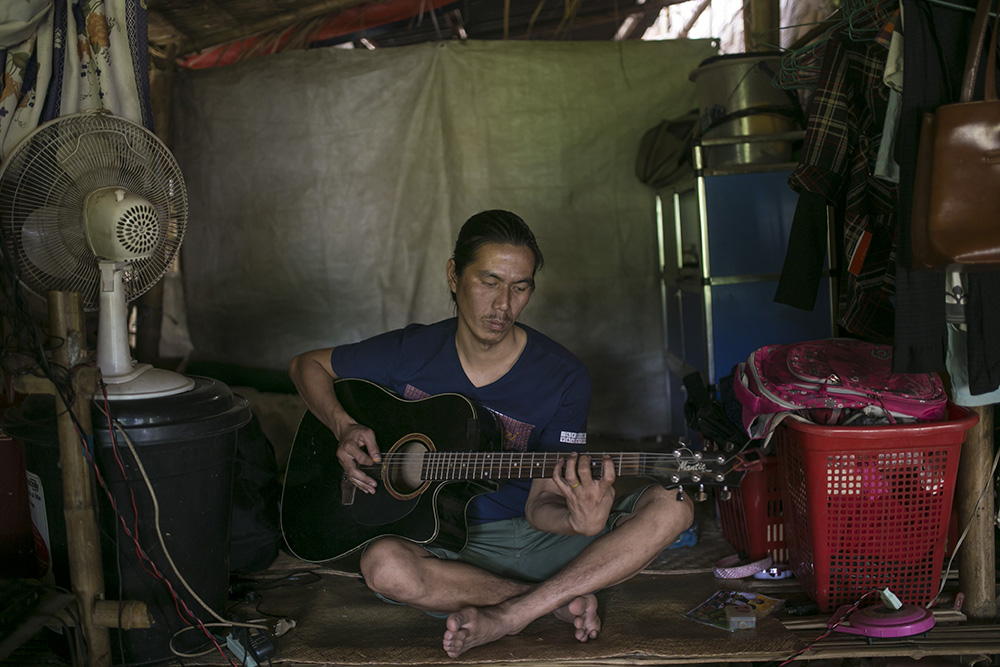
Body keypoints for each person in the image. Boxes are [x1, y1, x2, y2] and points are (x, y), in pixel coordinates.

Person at [288, 209, 694, 658]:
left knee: (674, 506)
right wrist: (343, 425)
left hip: (540, 539)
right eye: (488, 281)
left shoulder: (564, 376)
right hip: (446, 547)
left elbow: (542, 505)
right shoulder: (410, 351)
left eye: (520, 288)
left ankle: (512, 614)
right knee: (383, 566)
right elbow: (307, 364)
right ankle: (554, 601)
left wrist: (580, 521)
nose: (503, 305)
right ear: (453, 275)